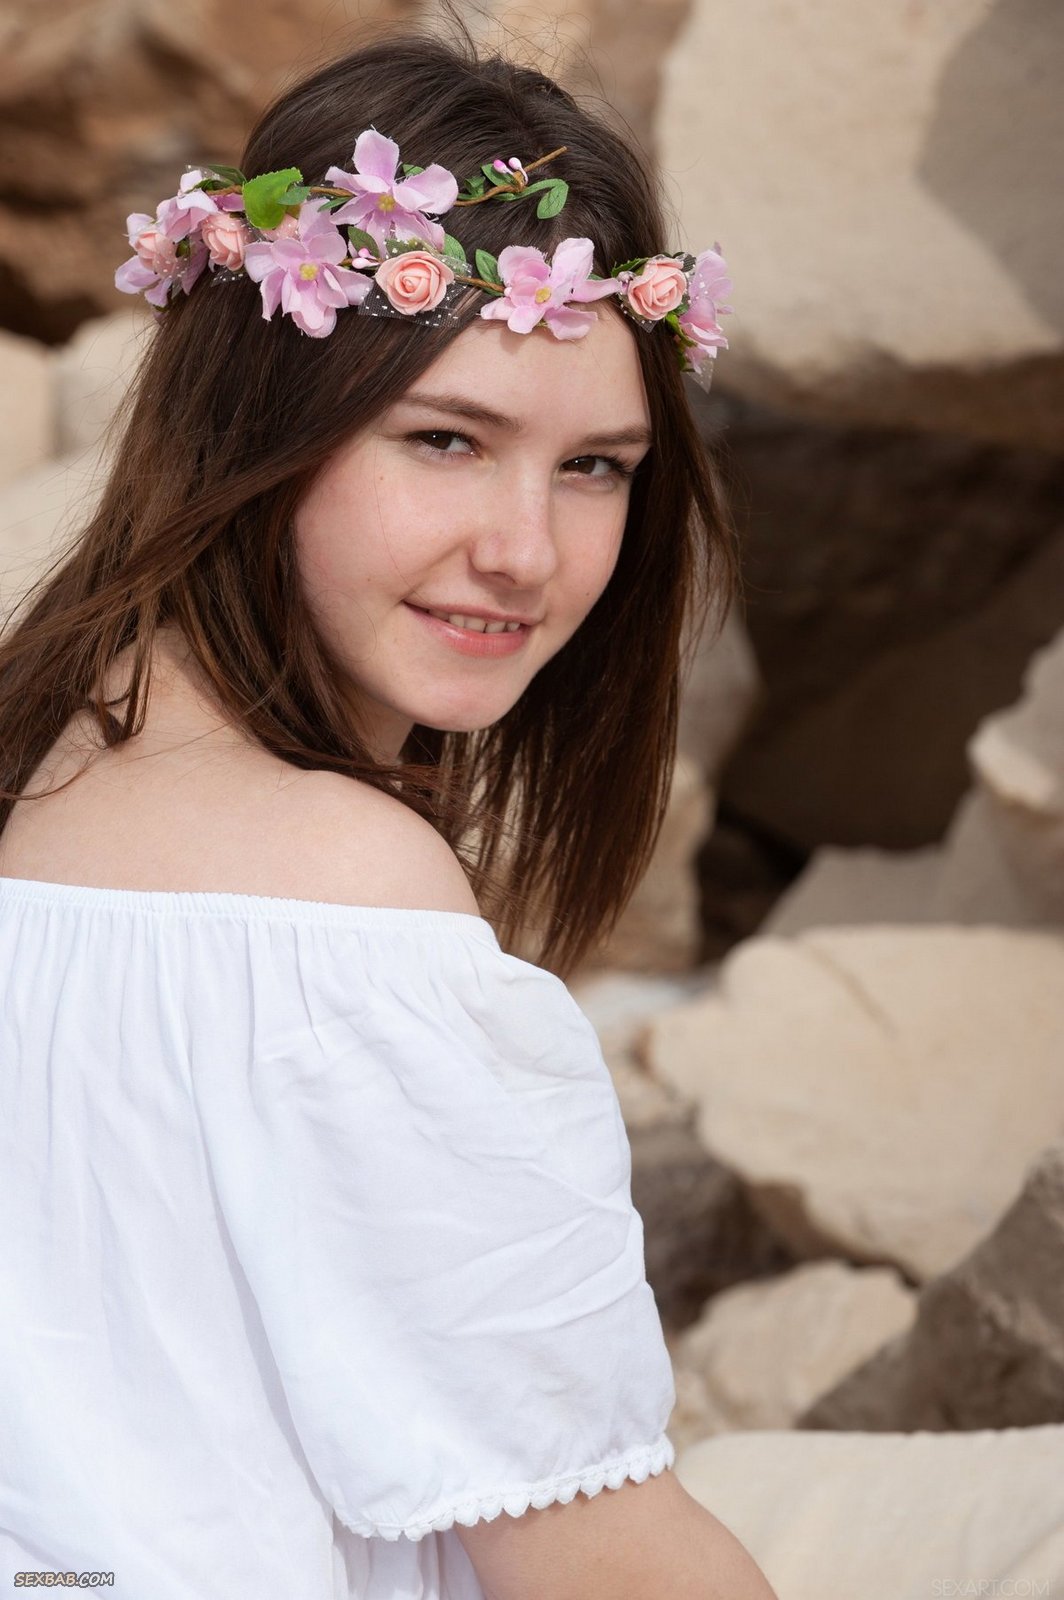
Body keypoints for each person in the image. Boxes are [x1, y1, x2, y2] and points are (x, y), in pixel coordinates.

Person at [0, 22, 778, 1600]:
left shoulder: (46, 756)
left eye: (597, 467)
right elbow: (599, 1561)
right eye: (446, 440)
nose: (526, 551)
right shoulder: (346, 901)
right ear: (256, 422)